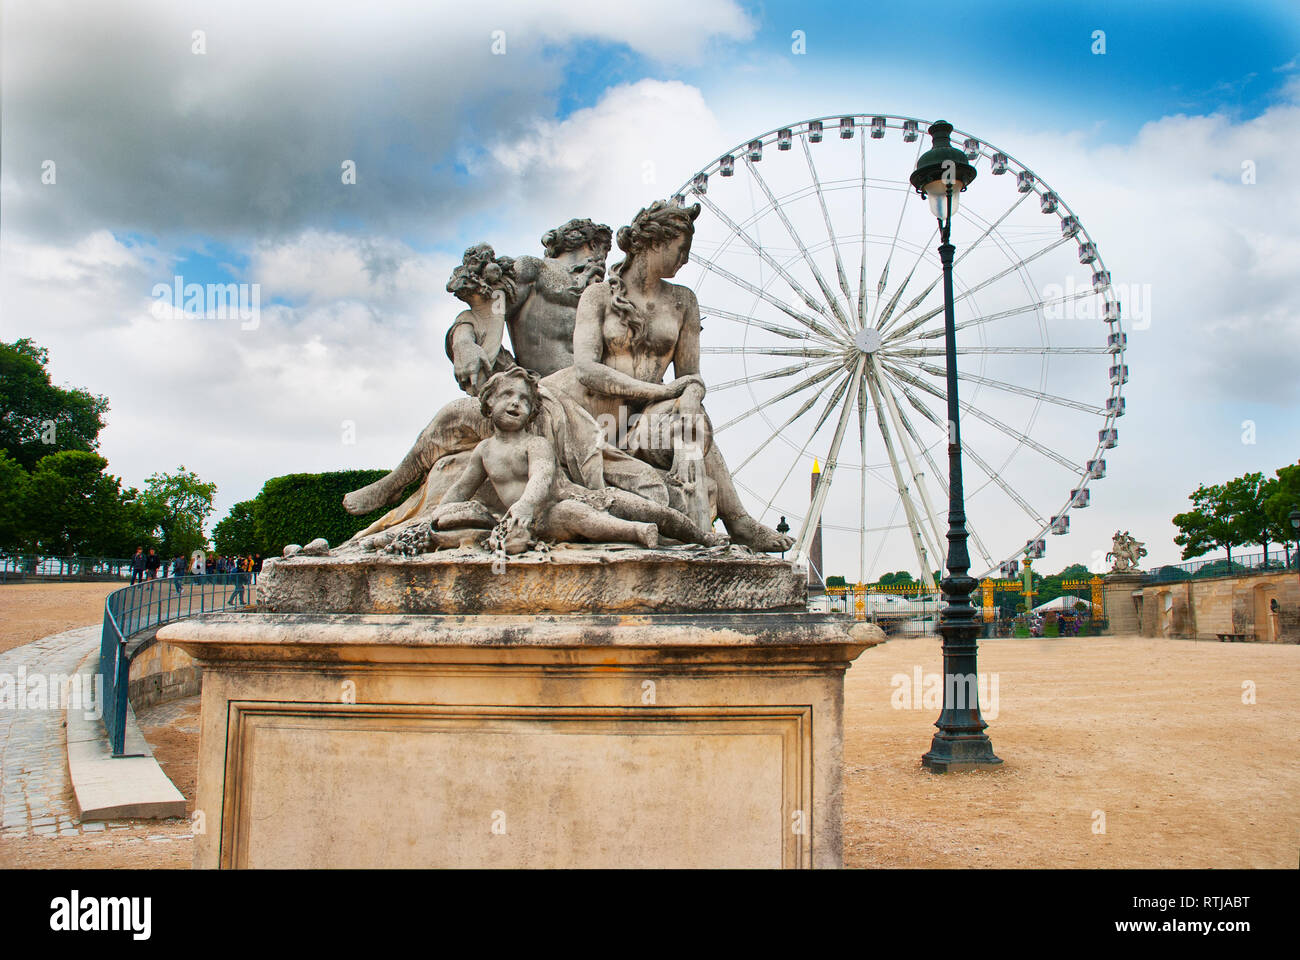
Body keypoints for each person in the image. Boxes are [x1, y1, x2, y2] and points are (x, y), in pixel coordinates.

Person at [429, 367, 720, 553]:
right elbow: (461, 488)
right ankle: (638, 532)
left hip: (577, 498)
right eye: (507, 395)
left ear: (532, 412)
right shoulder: (483, 451)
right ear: (489, 402)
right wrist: (438, 515)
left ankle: (701, 537)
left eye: (525, 400)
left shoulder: (535, 444)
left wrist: (527, 504)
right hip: (545, 520)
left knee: (650, 509)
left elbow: (541, 479)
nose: (516, 402)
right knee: (575, 516)